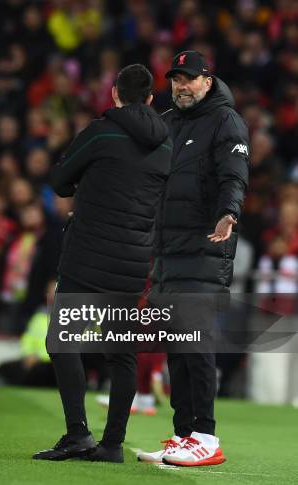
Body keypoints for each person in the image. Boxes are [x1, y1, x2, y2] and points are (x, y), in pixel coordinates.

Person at [32, 64, 172, 463]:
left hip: (87, 254)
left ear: (114, 95)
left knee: (62, 341)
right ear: (149, 99)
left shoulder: (101, 131)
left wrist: (89, 187)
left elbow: (60, 181)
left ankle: (78, 434)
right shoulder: (166, 145)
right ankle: (112, 444)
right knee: (121, 352)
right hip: (132, 260)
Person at [137, 51, 249, 467]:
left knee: (195, 345)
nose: (181, 86)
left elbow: (234, 175)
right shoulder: (167, 123)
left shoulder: (226, 121)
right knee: (178, 348)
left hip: (204, 249)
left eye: (189, 79)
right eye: (176, 79)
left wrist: (229, 213)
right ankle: (184, 435)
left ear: (207, 81)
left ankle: (206, 435)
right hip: (167, 254)